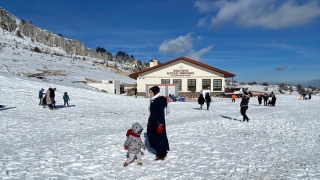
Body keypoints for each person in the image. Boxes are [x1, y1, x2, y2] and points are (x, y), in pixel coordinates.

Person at [147, 86, 170, 161]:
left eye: (151, 92)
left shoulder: (159, 101)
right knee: (154, 137)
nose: (149, 94)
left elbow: (161, 114)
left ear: (155, 92)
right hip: (153, 121)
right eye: (149, 92)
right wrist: (149, 121)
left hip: (158, 122)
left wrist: (160, 125)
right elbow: (152, 113)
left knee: (160, 138)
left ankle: (162, 154)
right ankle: (159, 152)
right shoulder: (153, 100)